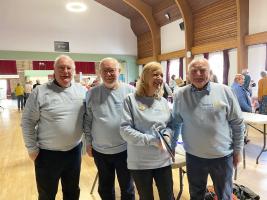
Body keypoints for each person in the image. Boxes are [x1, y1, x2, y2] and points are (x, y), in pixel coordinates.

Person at [172, 58, 245, 199]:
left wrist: (238, 150)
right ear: (188, 75)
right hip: (194, 157)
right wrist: (172, 147)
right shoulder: (180, 94)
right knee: (196, 194)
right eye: (194, 71)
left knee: (224, 195)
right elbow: (175, 123)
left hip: (222, 156)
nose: (198, 74)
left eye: (203, 70)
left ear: (210, 73)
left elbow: (237, 123)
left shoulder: (225, 91)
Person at [21, 55, 86, 200]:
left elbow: (87, 119)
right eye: (61, 68)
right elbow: (27, 121)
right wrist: (31, 148)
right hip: (47, 155)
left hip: (74, 152)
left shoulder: (81, 91)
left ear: (74, 71)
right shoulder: (40, 92)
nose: (65, 71)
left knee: (72, 191)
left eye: (69, 68)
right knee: (47, 194)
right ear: (54, 71)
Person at [120, 61, 176, 200]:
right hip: (140, 162)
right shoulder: (130, 100)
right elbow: (125, 130)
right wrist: (152, 141)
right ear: (145, 77)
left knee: (168, 196)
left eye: (161, 75)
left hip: (163, 160)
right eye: (155, 74)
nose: (159, 78)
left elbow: (169, 124)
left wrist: (168, 134)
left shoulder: (162, 101)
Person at [83, 57, 135, 200]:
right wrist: (88, 143)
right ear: (100, 72)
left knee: (128, 188)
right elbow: (87, 121)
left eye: (112, 70)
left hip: (125, 150)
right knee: (105, 188)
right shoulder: (91, 93)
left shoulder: (131, 92)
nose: (108, 74)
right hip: (100, 151)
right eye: (105, 71)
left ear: (119, 71)